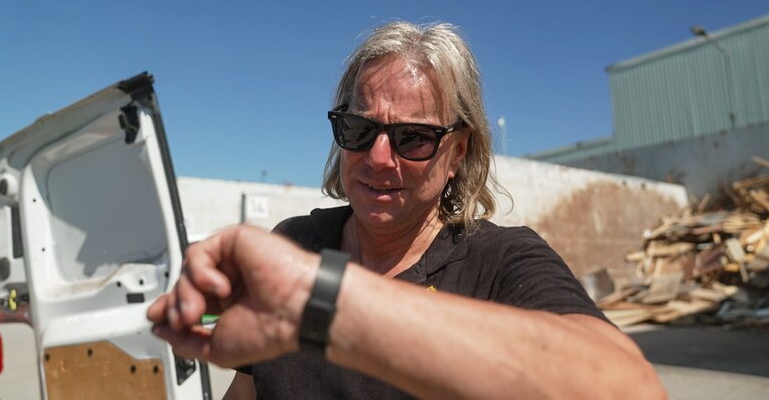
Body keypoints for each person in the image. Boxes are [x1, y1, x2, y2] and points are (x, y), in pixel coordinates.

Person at [147, 22, 666, 399]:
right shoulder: (298, 242)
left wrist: (320, 304)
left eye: (413, 138)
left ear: (458, 150)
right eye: (359, 129)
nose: (377, 157)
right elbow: (251, 390)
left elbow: (628, 387)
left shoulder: (500, 262)